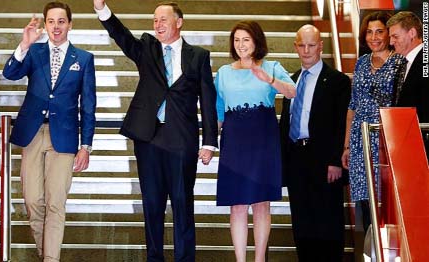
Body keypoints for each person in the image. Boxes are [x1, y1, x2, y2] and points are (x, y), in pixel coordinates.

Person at [93, 1, 218, 261]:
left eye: (163, 19)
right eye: (155, 20)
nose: (158, 25)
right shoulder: (147, 49)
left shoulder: (198, 55)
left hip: (182, 140)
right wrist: (102, 8)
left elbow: (207, 99)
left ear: (178, 22)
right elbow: (121, 36)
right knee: (152, 205)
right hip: (149, 138)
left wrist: (209, 142)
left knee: (183, 204)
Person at [2, 2, 97, 261]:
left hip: (65, 138)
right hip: (32, 134)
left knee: (56, 204)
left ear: (70, 24)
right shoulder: (34, 52)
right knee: (33, 201)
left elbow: (88, 107)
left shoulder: (84, 59)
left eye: (61, 21)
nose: (56, 26)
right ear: (45, 24)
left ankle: (50, 259)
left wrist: (86, 146)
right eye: (51, 21)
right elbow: (9, 73)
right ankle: (47, 253)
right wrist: (24, 45)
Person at [215, 21, 295, 262]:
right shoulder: (223, 73)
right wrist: (208, 144)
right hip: (234, 142)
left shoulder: (271, 66)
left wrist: (269, 79)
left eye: (246, 40)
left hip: (263, 141)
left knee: (261, 203)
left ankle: (259, 259)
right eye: (237, 40)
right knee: (237, 204)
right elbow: (218, 111)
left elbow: (292, 91)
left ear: (257, 41)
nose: (241, 45)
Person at [279, 24, 351, 261]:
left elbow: (341, 123)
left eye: (312, 45)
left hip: (325, 162)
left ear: (321, 46)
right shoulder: (291, 81)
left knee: (328, 222)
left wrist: (335, 160)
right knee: (302, 221)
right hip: (296, 160)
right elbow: (286, 123)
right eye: (302, 45)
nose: (307, 50)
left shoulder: (338, 81)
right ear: (295, 47)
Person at [341, 11, 407, 233]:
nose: (374, 37)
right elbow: (353, 106)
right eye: (369, 32)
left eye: (379, 31)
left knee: (386, 200)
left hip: (386, 139)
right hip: (360, 141)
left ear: (389, 34)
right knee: (365, 201)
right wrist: (347, 145)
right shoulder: (361, 63)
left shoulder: (400, 61)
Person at [387, 11, 429, 159]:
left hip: (423, 145)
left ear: (412, 33)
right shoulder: (403, 64)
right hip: (409, 144)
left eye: (395, 36)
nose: (391, 42)